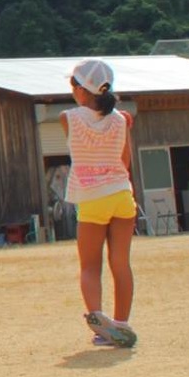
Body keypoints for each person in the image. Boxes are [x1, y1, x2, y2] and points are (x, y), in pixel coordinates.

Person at [62, 60, 138, 348]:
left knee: (90, 265)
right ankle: (121, 323)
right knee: (121, 263)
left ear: (81, 90)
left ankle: (98, 320)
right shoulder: (121, 120)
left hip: (91, 196)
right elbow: (126, 159)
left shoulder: (68, 117)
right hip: (120, 193)